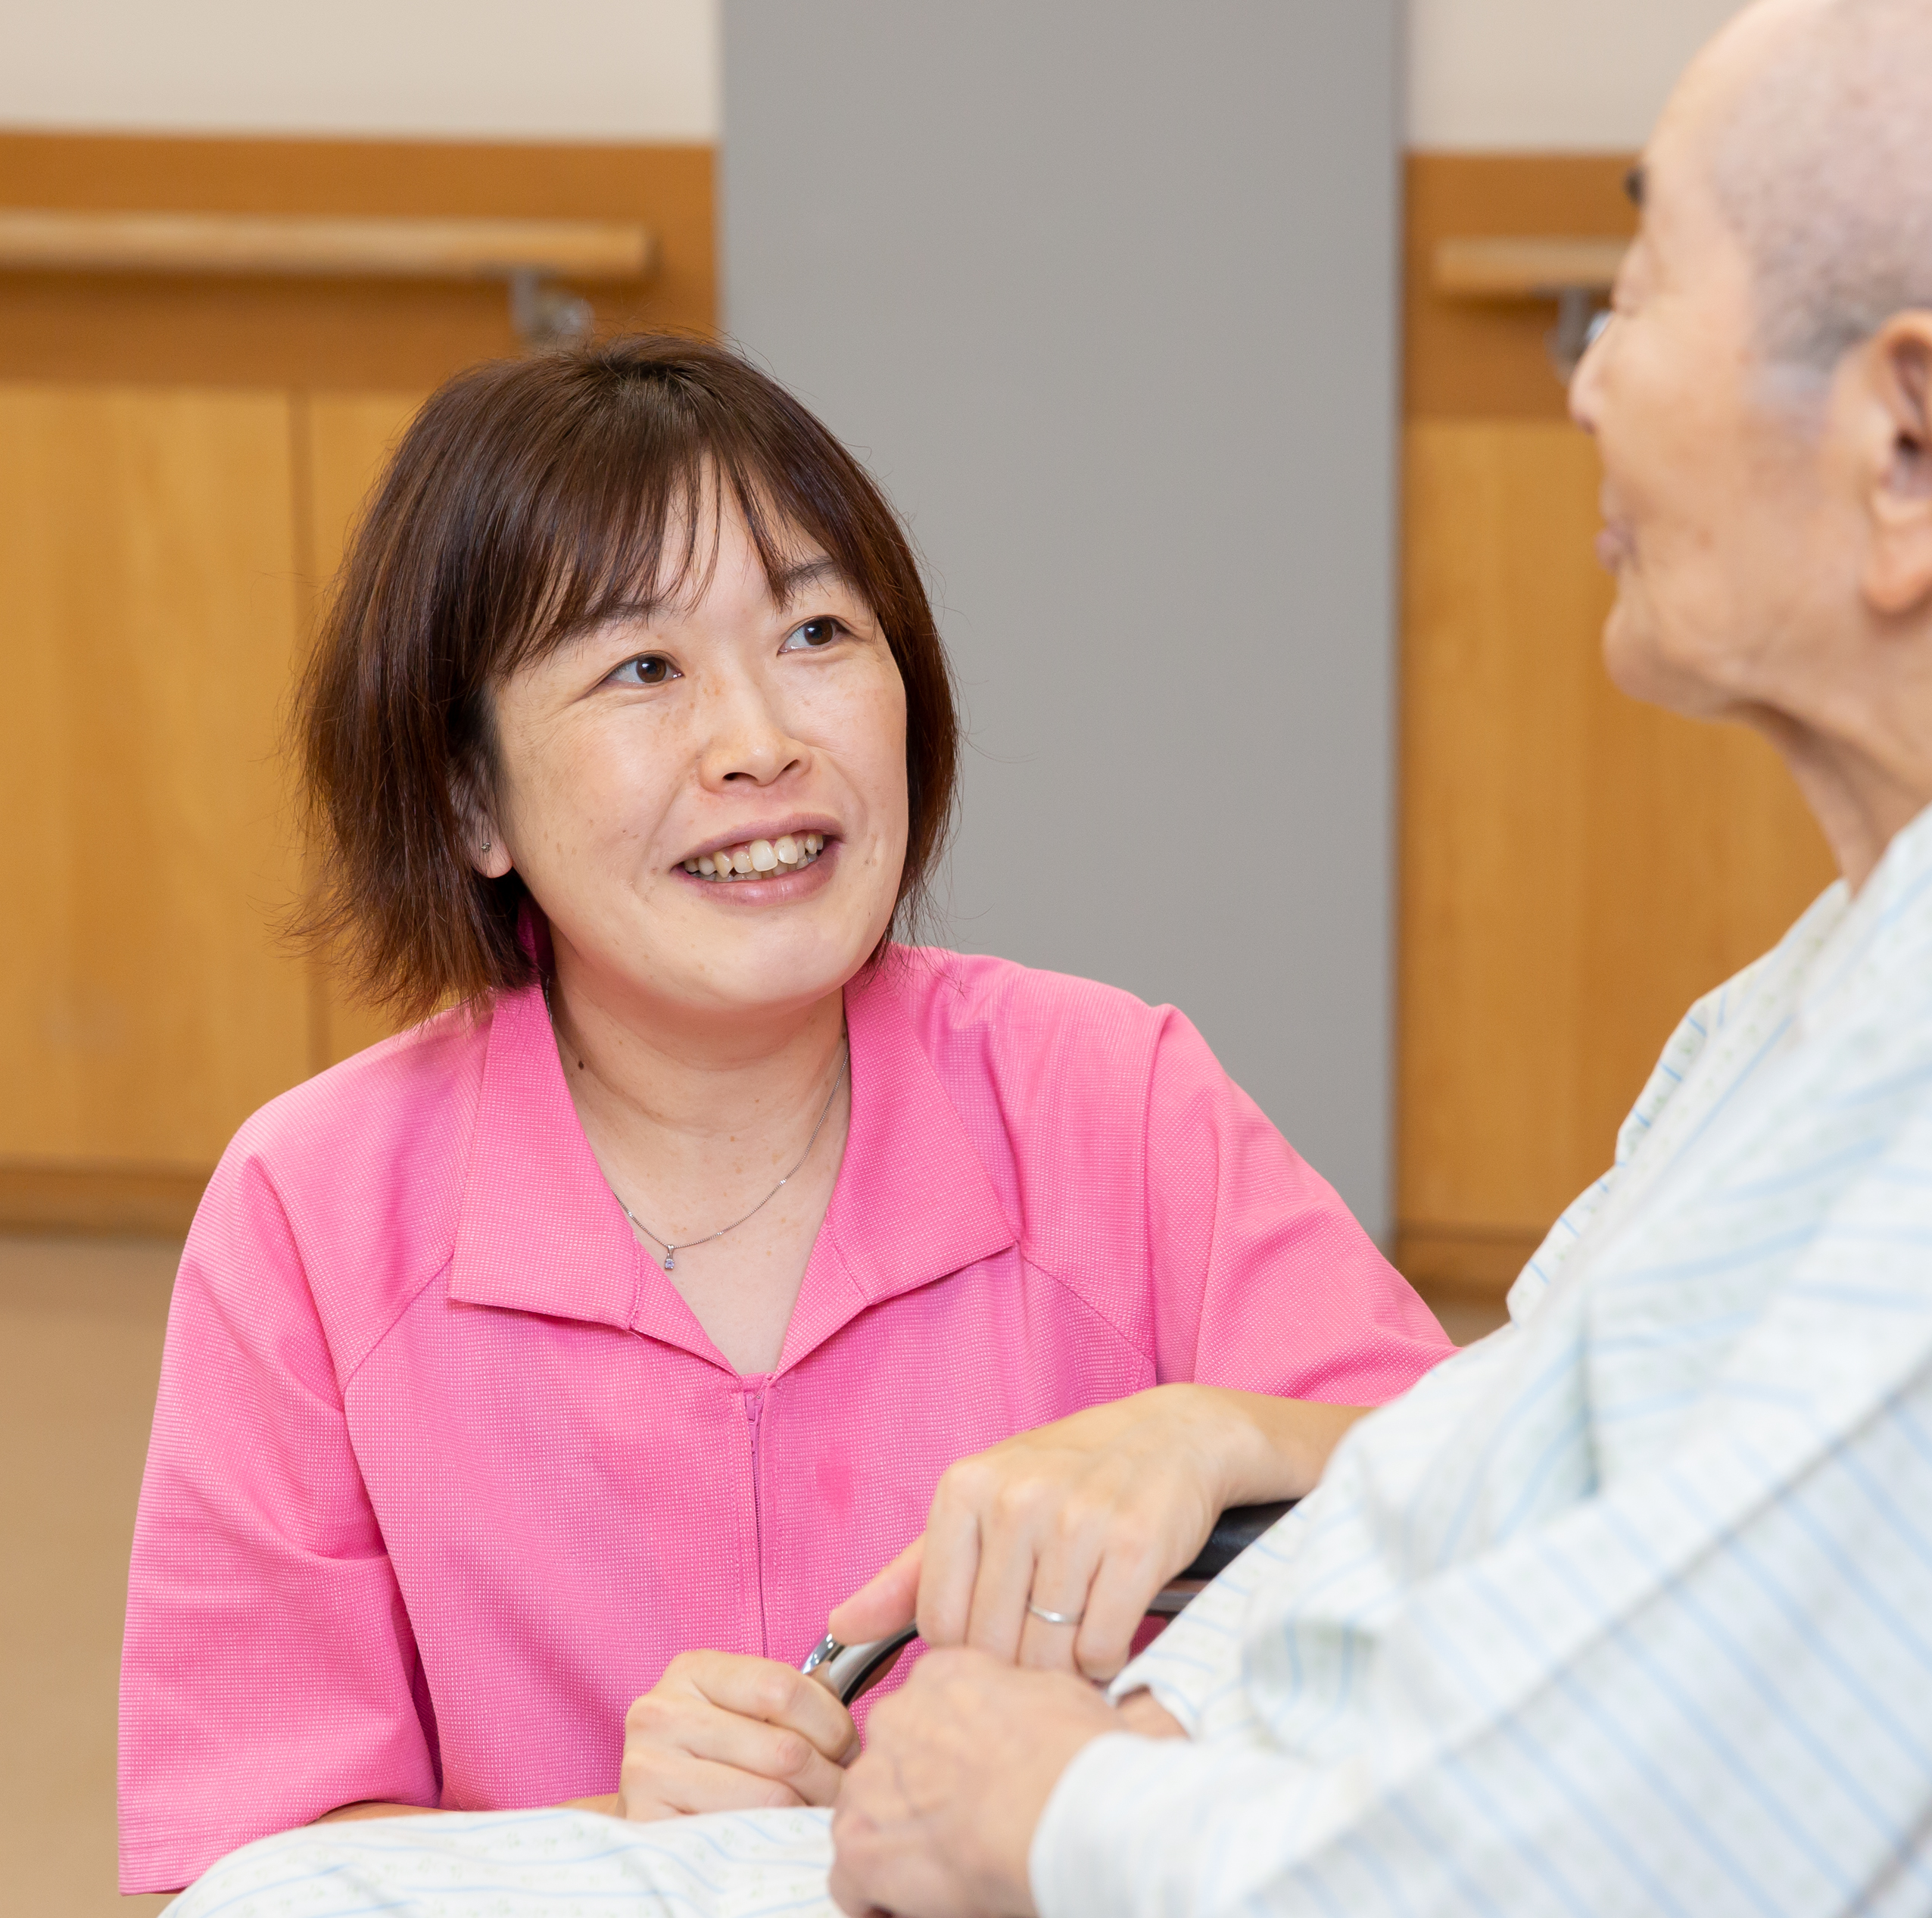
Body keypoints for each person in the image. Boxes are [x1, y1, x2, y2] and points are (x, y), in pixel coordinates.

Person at [160, 0, 1932, 1912]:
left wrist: (1048, 1801)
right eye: (636, 673)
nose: (1582, 375)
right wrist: (1226, 1455)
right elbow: (1562, 1494)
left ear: (1908, 451)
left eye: (1644, 280)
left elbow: (1633, 1865)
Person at [115, 335, 1452, 1895]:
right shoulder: (317, 1211)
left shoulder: (1112, 1095)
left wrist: (1215, 1435)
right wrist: (609, 1841)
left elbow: (1485, 1528)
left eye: (817, 629)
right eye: (640, 667)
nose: (761, 740)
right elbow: (244, 1872)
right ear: (469, 798)